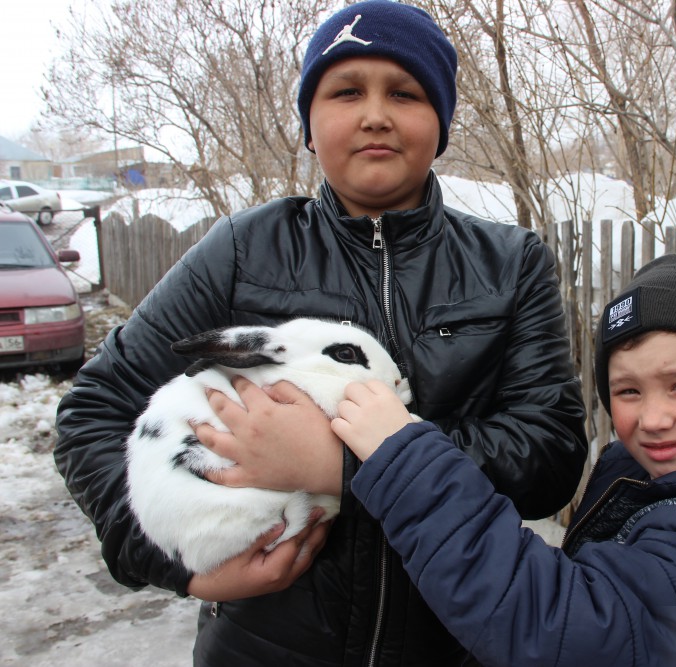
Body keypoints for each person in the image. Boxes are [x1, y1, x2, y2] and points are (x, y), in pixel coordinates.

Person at [53, 1, 588, 665]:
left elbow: (551, 456)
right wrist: (180, 566)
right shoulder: (243, 253)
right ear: (310, 124)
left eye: (405, 91)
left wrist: (345, 467)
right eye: (345, 91)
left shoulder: (510, 265)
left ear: (441, 123)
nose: (375, 114)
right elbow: (92, 412)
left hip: (456, 645)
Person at [331, 253, 676, 666]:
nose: (652, 418)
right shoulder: (647, 472)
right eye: (628, 391)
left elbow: (565, 629)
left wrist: (408, 466)